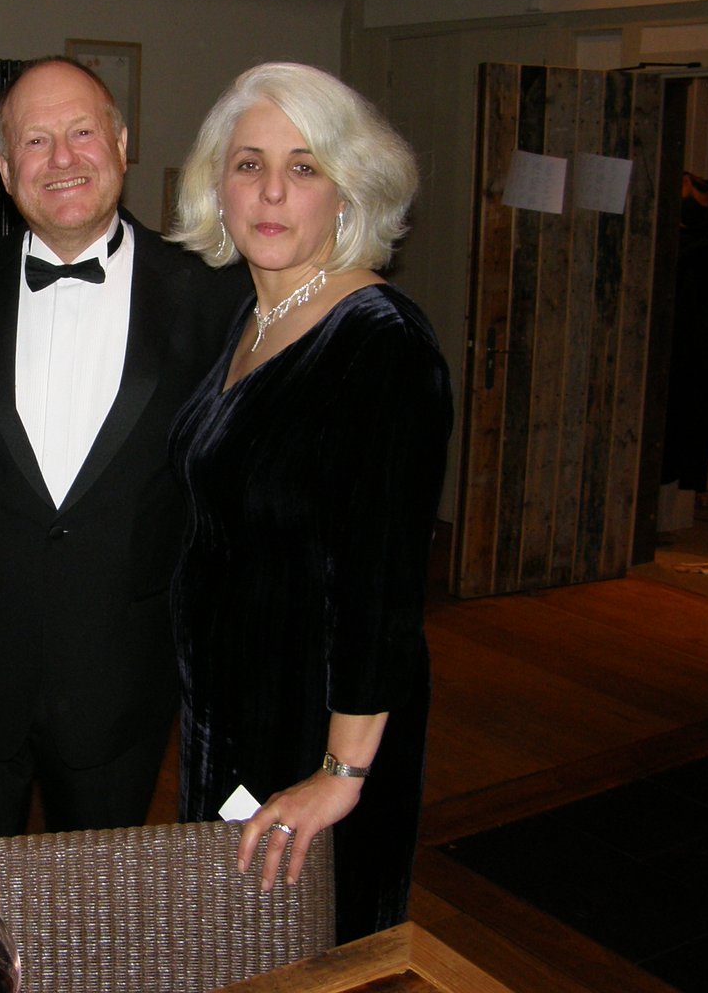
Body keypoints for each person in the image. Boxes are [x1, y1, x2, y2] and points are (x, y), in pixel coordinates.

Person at [0, 57, 246, 856]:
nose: (62, 158)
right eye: (36, 140)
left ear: (122, 145)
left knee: (99, 905)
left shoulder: (213, 294)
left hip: (122, 676)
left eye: (82, 132)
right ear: (3, 169)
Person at [166, 61, 452, 943]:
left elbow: (384, 590)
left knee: (311, 953)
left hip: (317, 728)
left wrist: (340, 774)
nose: (272, 192)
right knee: (234, 947)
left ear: (347, 190)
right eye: (249, 164)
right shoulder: (252, 317)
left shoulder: (380, 344)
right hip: (229, 711)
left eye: (304, 167)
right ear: (217, 184)